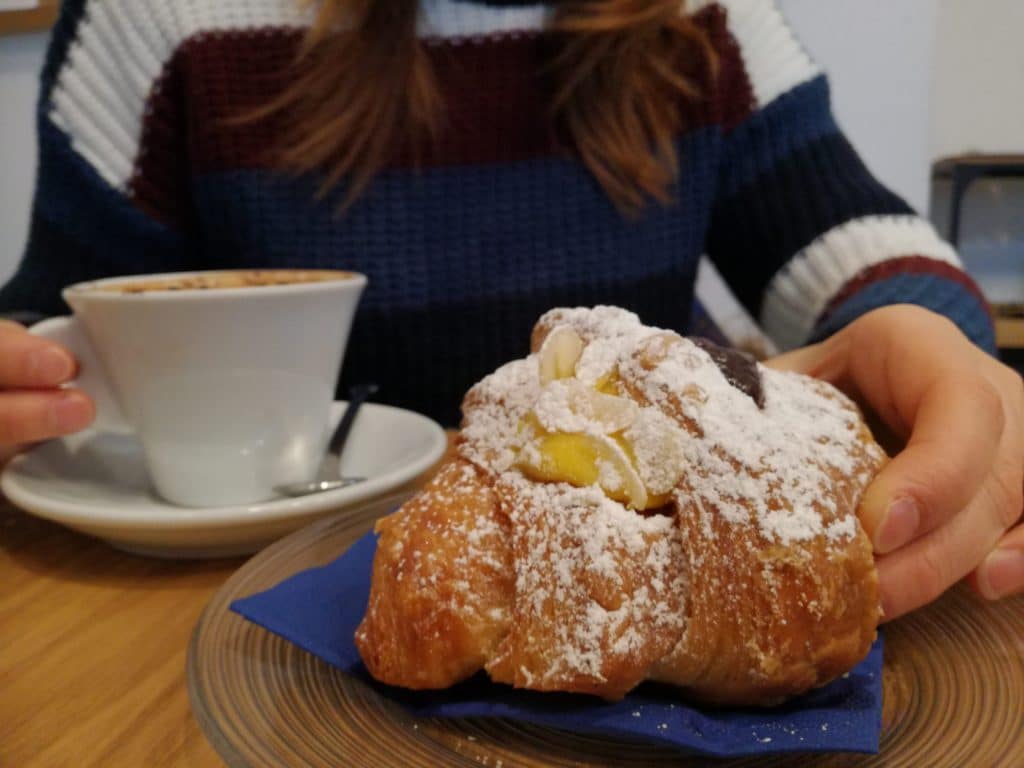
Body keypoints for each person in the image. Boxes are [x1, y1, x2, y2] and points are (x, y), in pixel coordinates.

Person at [0, 0, 1020, 619]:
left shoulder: (698, 21)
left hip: (631, 604)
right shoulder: (163, 24)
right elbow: (62, 329)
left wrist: (939, 350)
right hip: (206, 615)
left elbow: (852, 244)